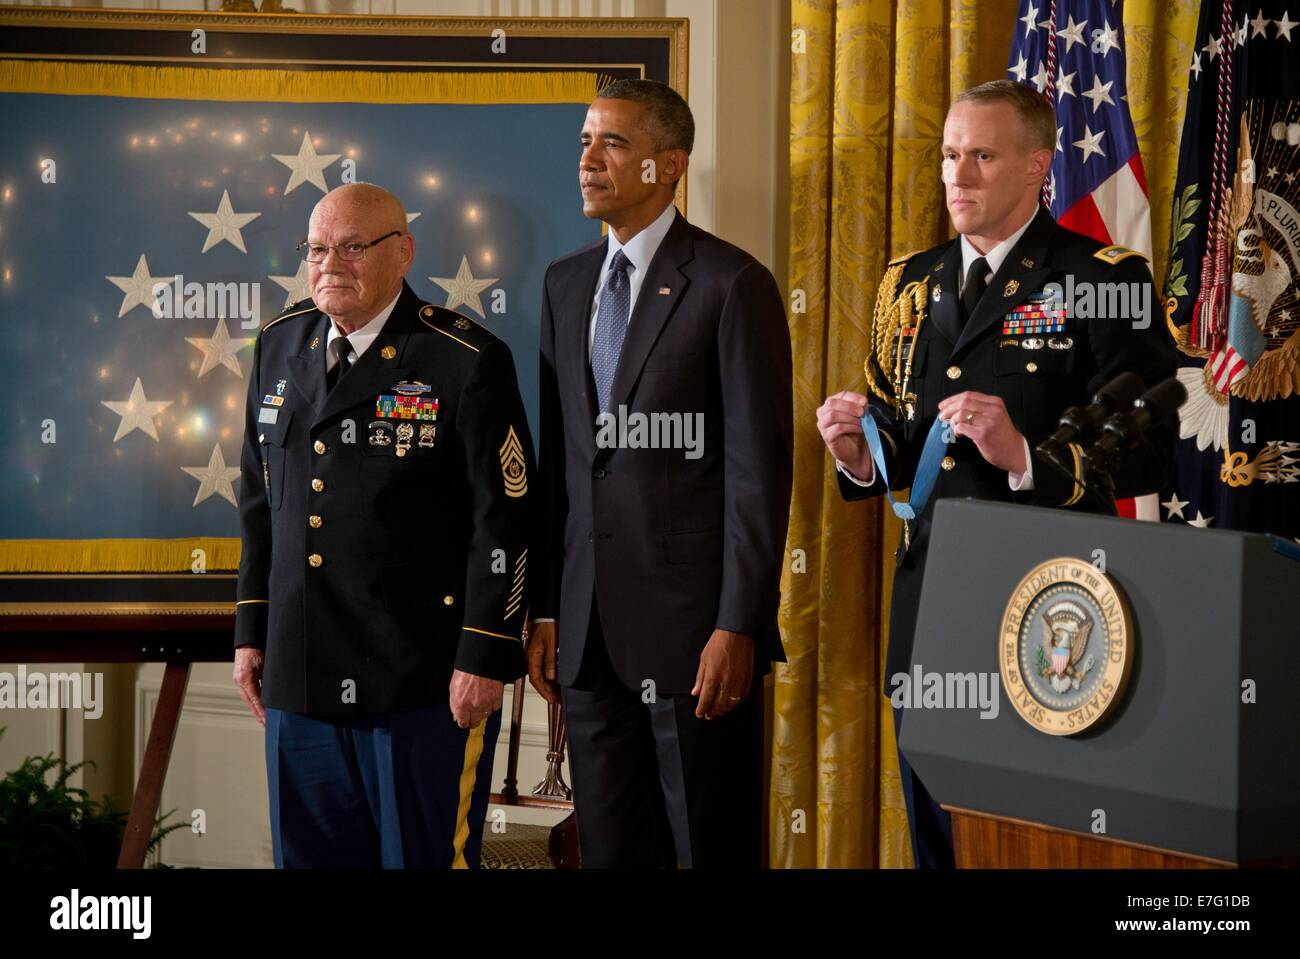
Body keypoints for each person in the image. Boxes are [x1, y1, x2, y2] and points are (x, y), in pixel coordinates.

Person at [815, 80, 1177, 868]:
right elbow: (907, 441)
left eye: (982, 155)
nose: (959, 175)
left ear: (1037, 167)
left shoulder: (1103, 277)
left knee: (1029, 846)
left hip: (1051, 619)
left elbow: (1152, 445)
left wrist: (1024, 458)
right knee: (937, 845)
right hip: (931, 613)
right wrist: (858, 452)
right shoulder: (907, 283)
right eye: (950, 155)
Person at [526, 79, 794, 868]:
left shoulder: (730, 284)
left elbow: (758, 470)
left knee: (707, 849)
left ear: (669, 165)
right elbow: (561, 468)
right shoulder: (563, 283)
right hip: (586, 638)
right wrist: (545, 608)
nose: (588, 160)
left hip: (695, 639)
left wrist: (737, 623)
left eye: (613, 143)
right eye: (584, 141)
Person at [231, 183, 534, 868]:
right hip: (300, 675)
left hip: (421, 684)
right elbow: (258, 499)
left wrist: (485, 652)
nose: (329, 263)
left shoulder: (464, 359)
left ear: (403, 252)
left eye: (352, 247)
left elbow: (506, 517)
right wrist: (253, 628)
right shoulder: (280, 343)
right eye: (315, 249)